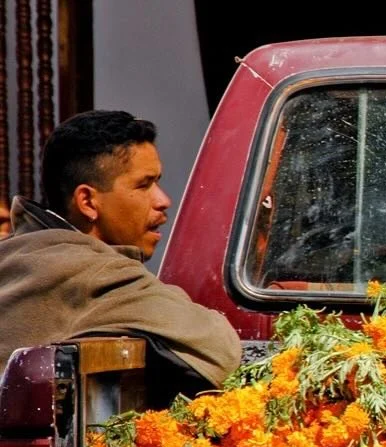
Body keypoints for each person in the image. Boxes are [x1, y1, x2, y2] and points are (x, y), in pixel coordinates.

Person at [0, 110, 241, 397]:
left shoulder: (16, 250)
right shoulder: (93, 272)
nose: (163, 200)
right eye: (144, 185)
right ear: (88, 201)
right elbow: (221, 350)